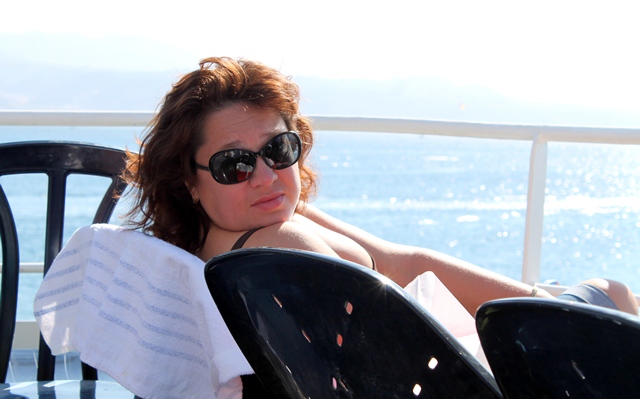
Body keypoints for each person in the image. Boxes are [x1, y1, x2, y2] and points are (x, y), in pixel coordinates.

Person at [122, 56, 638, 318]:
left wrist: (537, 299)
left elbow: (402, 262)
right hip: (445, 385)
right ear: (190, 179)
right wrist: (534, 315)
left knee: (580, 295)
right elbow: (394, 325)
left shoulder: (254, 223)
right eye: (234, 164)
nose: (265, 175)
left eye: (278, 149)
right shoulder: (282, 242)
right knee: (614, 292)